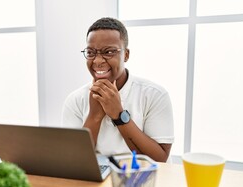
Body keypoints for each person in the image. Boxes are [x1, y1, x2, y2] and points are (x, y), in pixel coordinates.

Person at [61, 17, 174, 162]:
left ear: (126, 55)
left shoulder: (154, 95)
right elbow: (73, 160)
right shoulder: (75, 100)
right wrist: (94, 116)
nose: (98, 61)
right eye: (91, 52)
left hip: (143, 177)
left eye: (108, 52)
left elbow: (160, 159)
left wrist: (119, 115)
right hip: (98, 179)